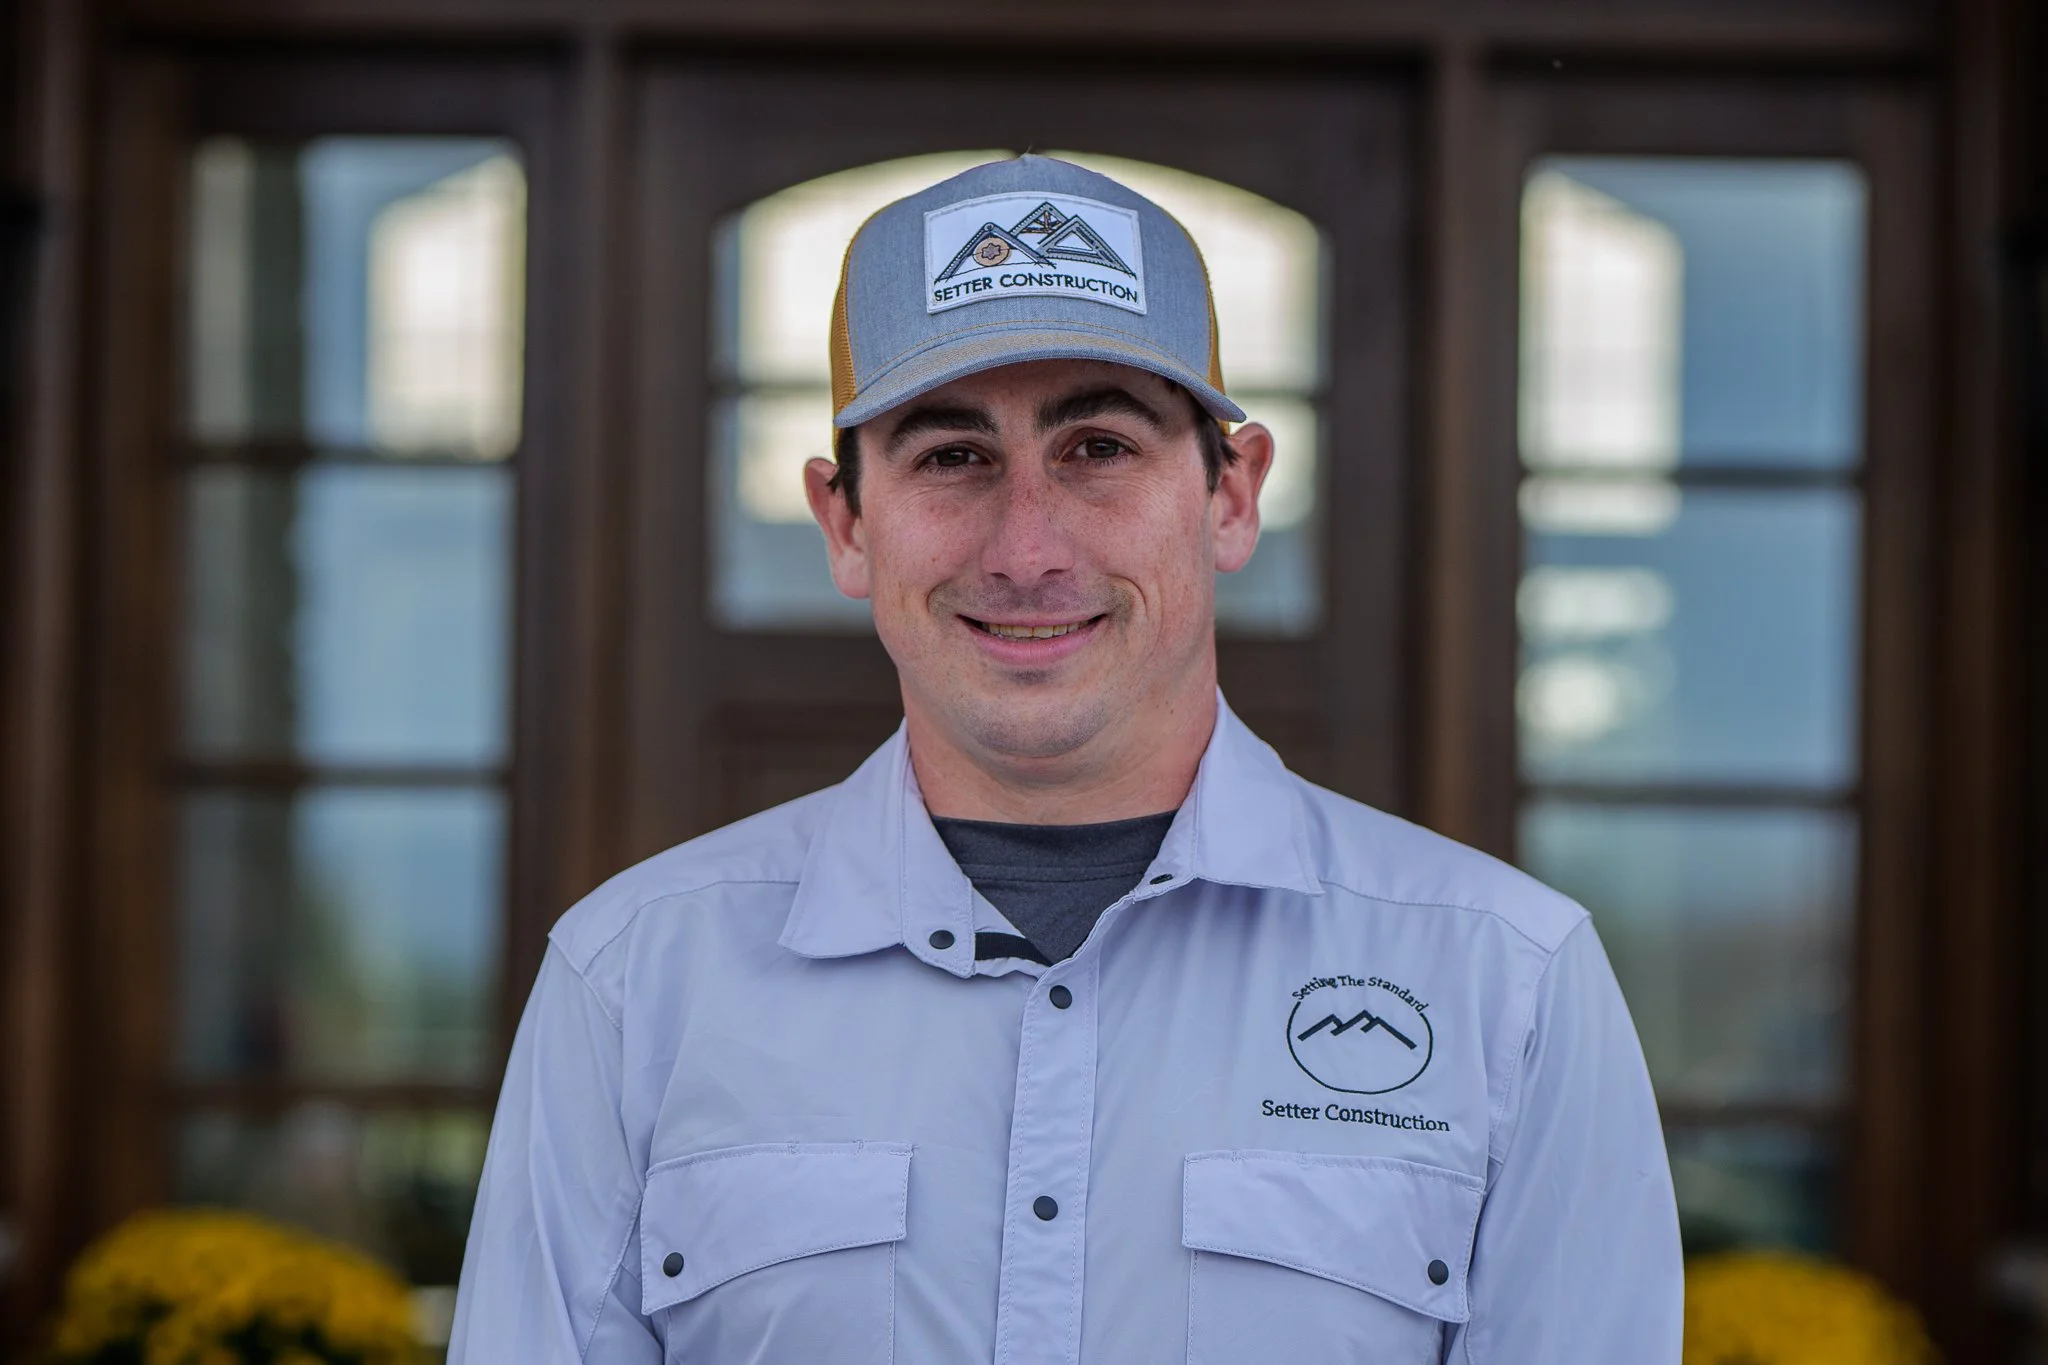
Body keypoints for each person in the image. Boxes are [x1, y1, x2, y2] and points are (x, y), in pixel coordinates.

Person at [449, 155, 1682, 1364]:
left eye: (1098, 447)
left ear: (1229, 496)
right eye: (951, 456)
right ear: (846, 521)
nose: (1027, 549)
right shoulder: (634, 985)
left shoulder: (1505, 988)